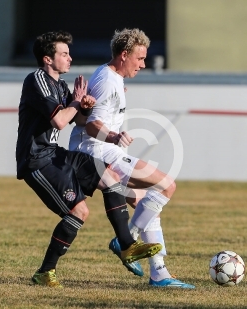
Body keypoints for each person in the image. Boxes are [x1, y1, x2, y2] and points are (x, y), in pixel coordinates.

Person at [15, 30, 162, 288]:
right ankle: (45, 272)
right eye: (64, 54)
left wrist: (84, 106)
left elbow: (78, 121)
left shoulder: (60, 85)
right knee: (79, 211)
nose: (70, 58)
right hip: (36, 160)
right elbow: (60, 121)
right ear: (48, 59)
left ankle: (127, 246)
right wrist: (75, 102)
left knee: (110, 175)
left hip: (55, 154)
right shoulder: (36, 79)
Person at [69, 28, 195, 289]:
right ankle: (127, 239)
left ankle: (159, 274)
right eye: (139, 58)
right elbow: (91, 126)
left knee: (147, 206)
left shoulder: (112, 78)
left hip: (104, 152)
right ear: (124, 55)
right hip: (97, 154)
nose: (144, 64)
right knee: (166, 185)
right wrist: (115, 136)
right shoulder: (106, 80)